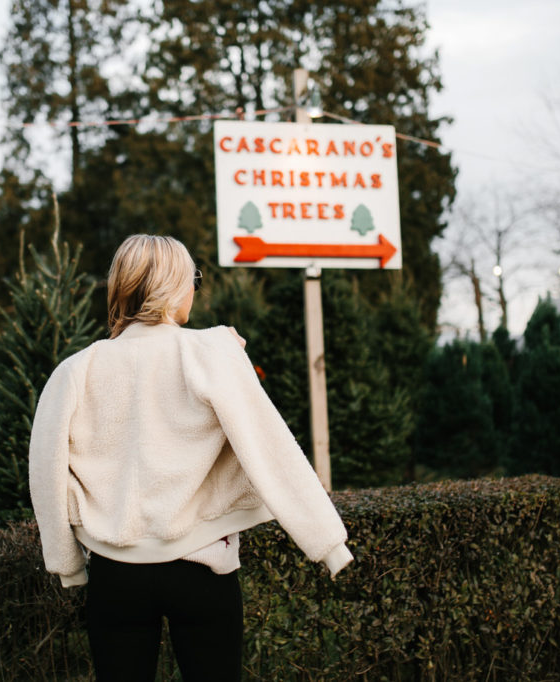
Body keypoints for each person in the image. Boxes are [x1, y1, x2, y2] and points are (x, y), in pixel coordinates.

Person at [29, 234, 352, 682]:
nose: (195, 290)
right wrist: (327, 543)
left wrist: (67, 564)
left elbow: (44, 472)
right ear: (173, 287)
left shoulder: (76, 370)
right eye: (193, 279)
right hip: (202, 568)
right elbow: (269, 444)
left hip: (115, 575)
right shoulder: (211, 353)